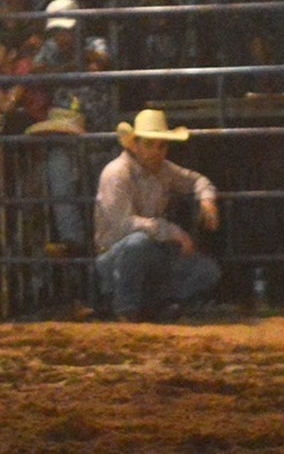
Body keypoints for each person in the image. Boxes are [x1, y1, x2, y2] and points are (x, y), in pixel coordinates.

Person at [93, 109, 222, 322]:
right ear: (135, 145)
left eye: (161, 145)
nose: (157, 152)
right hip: (115, 255)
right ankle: (127, 309)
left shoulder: (164, 170)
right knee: (137, 244)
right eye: (150, 144)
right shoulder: (116, 173)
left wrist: (206, 199)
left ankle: (149, 306)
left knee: (207, 270)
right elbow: (122, 225)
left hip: (152, 251)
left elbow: (197, 180)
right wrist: (172, 232)